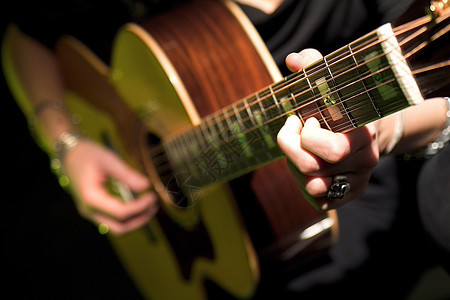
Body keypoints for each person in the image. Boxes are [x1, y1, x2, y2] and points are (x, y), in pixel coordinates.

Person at [4, 0, 449, 298]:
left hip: (351, 192)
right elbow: (26, 40)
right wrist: (67, 143)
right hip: (218, 233)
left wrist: (385, 132)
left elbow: (439, 100)